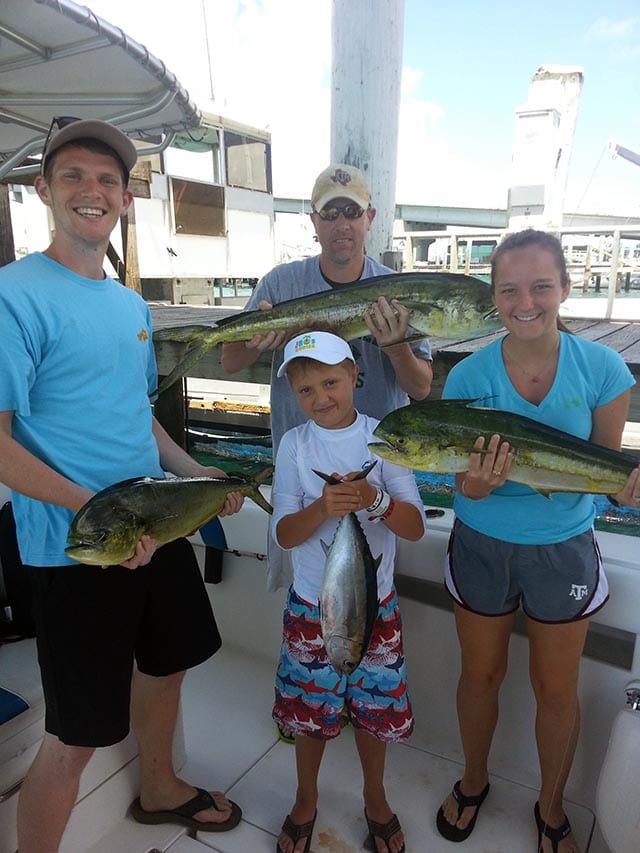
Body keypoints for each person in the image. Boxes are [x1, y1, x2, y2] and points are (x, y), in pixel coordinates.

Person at [0, 118, 245, 853]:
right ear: (43, 190)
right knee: (74, 737)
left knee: (169, 663)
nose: (92, 191)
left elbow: (139, 422)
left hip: (154, 522)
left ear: (126, 201)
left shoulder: (129, 303)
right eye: (74, 176)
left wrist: (197, 473)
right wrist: (99, 514)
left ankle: (161, 787)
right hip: (79, 546)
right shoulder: (14, 294)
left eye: (108, 180)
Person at [435, 229, 639, 853]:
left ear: (565, 289)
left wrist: (625, 489)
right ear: (493, 298)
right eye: (509, 290)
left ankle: (550, 807)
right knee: (481, 675)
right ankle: (474, 780)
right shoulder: (467, 374)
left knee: (556, 688)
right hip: (482, 543)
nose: (526, 302)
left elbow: (603, 471)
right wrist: (473, 485)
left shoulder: (603, 367)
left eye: (541, 286)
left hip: (564, 547)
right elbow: (459, 487)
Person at [221, 163, 432, 594]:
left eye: (351, 212)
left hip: (378, 464)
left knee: (372, 584)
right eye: (330, 213)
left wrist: (395, 346)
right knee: (306, 580)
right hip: (303, 463)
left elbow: (422, 387)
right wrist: (257, 341)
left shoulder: (398, 289)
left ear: (369, 218)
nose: (342, 224)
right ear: (313, 220)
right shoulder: (280, 284)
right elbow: (229, 361)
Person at [270, 329, 425, 853]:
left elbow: (414, 527)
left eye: (331, 382)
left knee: (373, 714)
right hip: (312, 607)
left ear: (356, 375)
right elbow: (284, 533)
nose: (321, 398)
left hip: (373, 607)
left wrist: (373, 499)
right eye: (306, 390)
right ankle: (305, 797)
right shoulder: (295, 444)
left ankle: (375, 798)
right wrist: (323, 507)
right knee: (309, 715)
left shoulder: (385, 440)